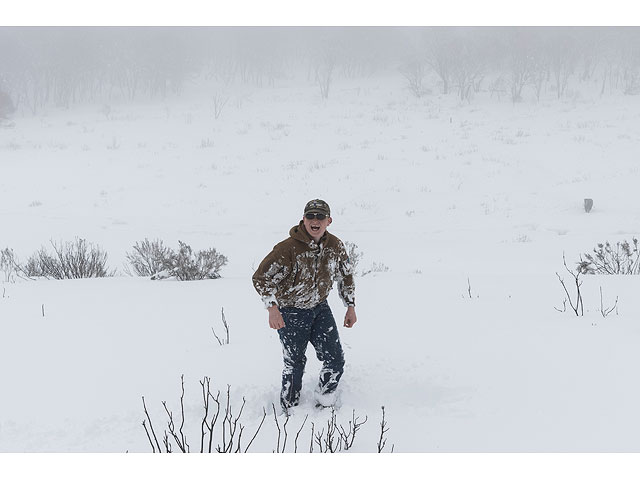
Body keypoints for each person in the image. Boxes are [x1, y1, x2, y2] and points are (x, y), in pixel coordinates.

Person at [252, 199, 357, 412]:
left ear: (329, 220)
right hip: (290, 312)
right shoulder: (287, 248)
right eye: (310, 216)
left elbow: (346, 275)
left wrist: (350, 306)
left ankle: (325, 401)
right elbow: (261, 277)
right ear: (303, 219)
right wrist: (272, 308)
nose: (315, 221)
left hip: (320, 309)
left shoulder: (335, 245)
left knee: (335, 359)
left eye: (320, 217)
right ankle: (289, 408)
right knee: (295, 363)